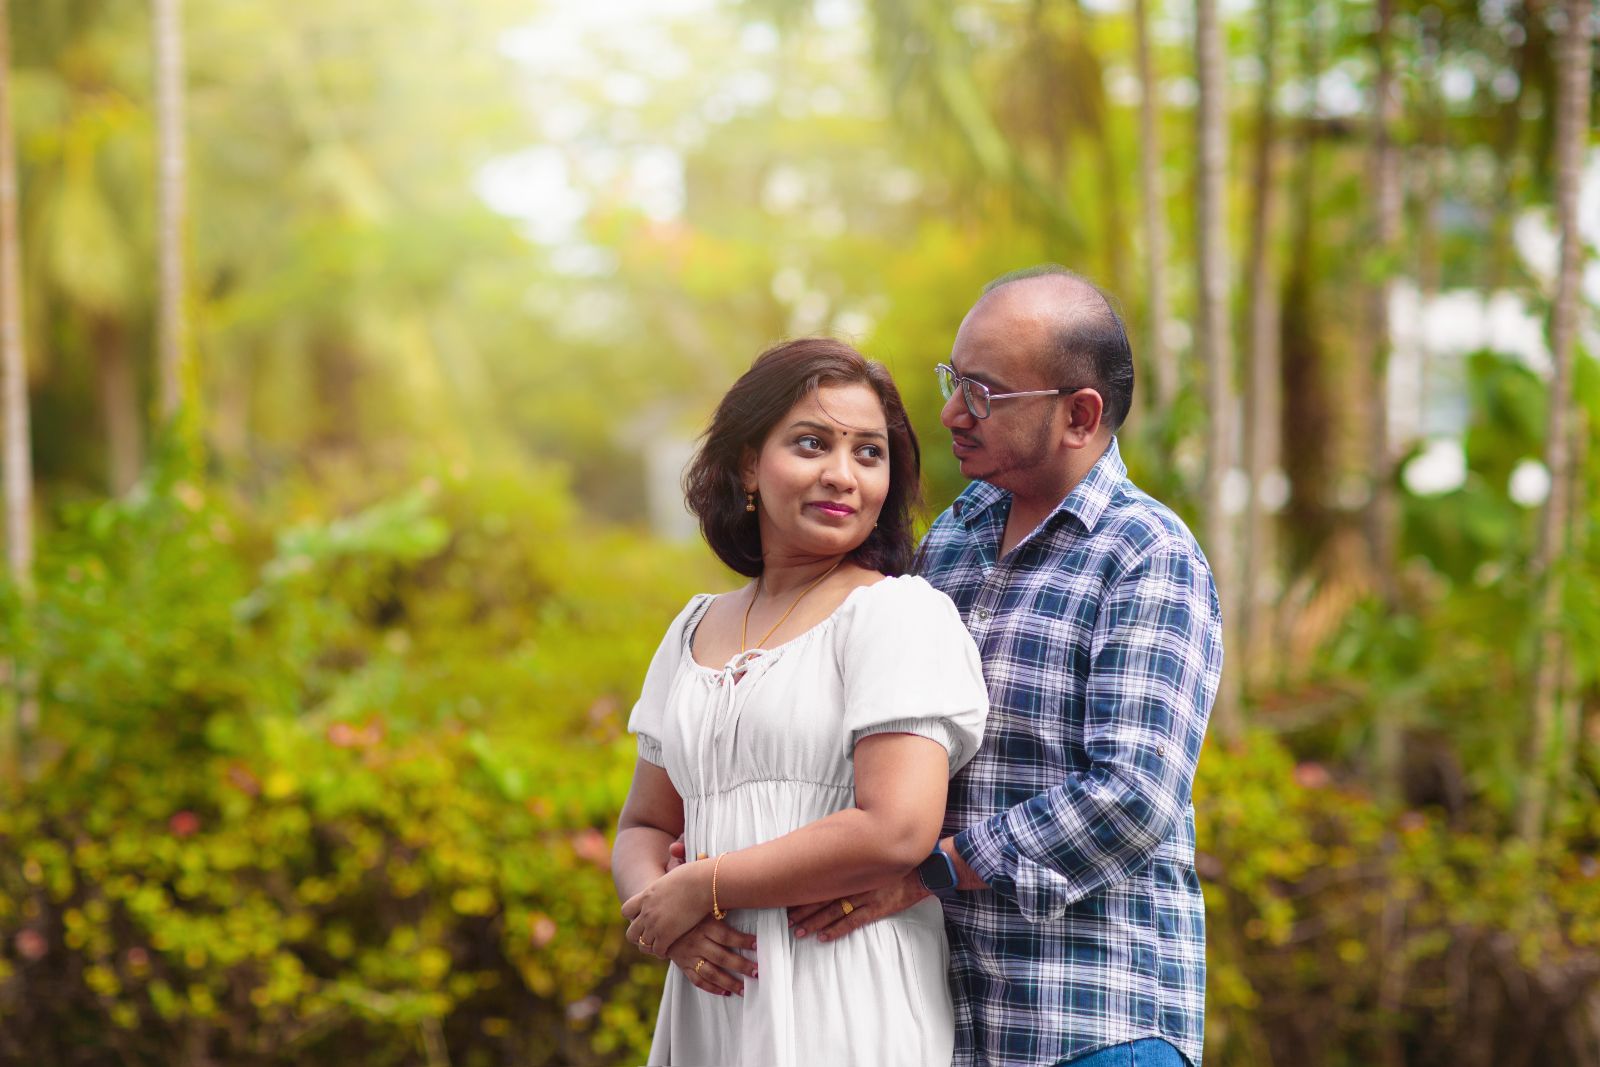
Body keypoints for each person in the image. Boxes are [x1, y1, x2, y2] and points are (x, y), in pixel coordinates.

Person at [787, 267, 1223, 1067]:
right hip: (943, 1022)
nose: (952, 412)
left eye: (984, 393)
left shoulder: (1147, 554)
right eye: (954, 380)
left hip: (1091, 1026)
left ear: (1078, 415)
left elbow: (1133, 795)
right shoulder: (954, 535)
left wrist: (935, 869)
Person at [611, 337, 990, 1067]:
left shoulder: (897, 614)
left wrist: (704, 885)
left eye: (869, 453)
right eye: (812, 443)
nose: (842, 475)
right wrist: (666, 915)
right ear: (748, 463)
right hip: (712, 998)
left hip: (845, 993)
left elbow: (897, 828)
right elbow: (646, 823)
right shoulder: (692, 627)